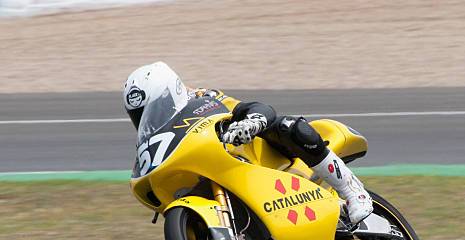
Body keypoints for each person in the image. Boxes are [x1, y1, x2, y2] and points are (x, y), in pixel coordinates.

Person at [123, 62, 373, 224]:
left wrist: (250, 123)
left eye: (153, 108)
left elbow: (255, 108)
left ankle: (353, 191)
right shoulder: (158, 138)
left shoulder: (202, 99)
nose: (148, 117)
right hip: (222, 176)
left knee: (289, 127)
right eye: (140, 114)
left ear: (171, 92)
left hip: (263, 160)